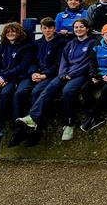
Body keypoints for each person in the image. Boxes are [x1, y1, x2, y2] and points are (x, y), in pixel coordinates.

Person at [16, 18, 99, 142]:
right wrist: (62, 74)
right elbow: (63, 61)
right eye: (76, 27)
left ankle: (69, 124)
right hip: (64, 74)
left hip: (80, 75)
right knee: (49, 88)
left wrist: (71, 74)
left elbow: (88, 63)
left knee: (67, 91)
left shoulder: (93, 43)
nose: (78, 29)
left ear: (87, 29)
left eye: (81, 27)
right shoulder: (70, 43)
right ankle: (32, 117)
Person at [9, 17, 65, 147]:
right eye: (45, 28)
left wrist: (44, 75)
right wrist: (33, 72)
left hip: (49, 75)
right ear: (41, 29)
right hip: (35, 74)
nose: (47, 30)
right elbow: (32, 61)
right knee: (19, 93)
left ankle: (37, 130)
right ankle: (19, 130)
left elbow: (59, 64)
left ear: (54, 29)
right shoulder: (37, 43)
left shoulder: (61, 43)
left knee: (36, 92)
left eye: (50, 28)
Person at [0, 22, 32, 144]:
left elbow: (22, 66)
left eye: (13, 31)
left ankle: (5, 121)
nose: (10, 33)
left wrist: (4, 76)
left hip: (12, 78)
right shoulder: (0, 47)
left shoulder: (25, 47)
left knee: (6, 94)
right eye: (8, 32)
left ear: (19, 32)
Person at [80, 23, 107, 133]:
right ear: (103, 35)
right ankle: (93, 115)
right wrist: (94, 76)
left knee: (106, 90)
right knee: (85, 88)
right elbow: (92, 64)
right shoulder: (96, 49)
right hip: (99, 76)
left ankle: (93, 116)